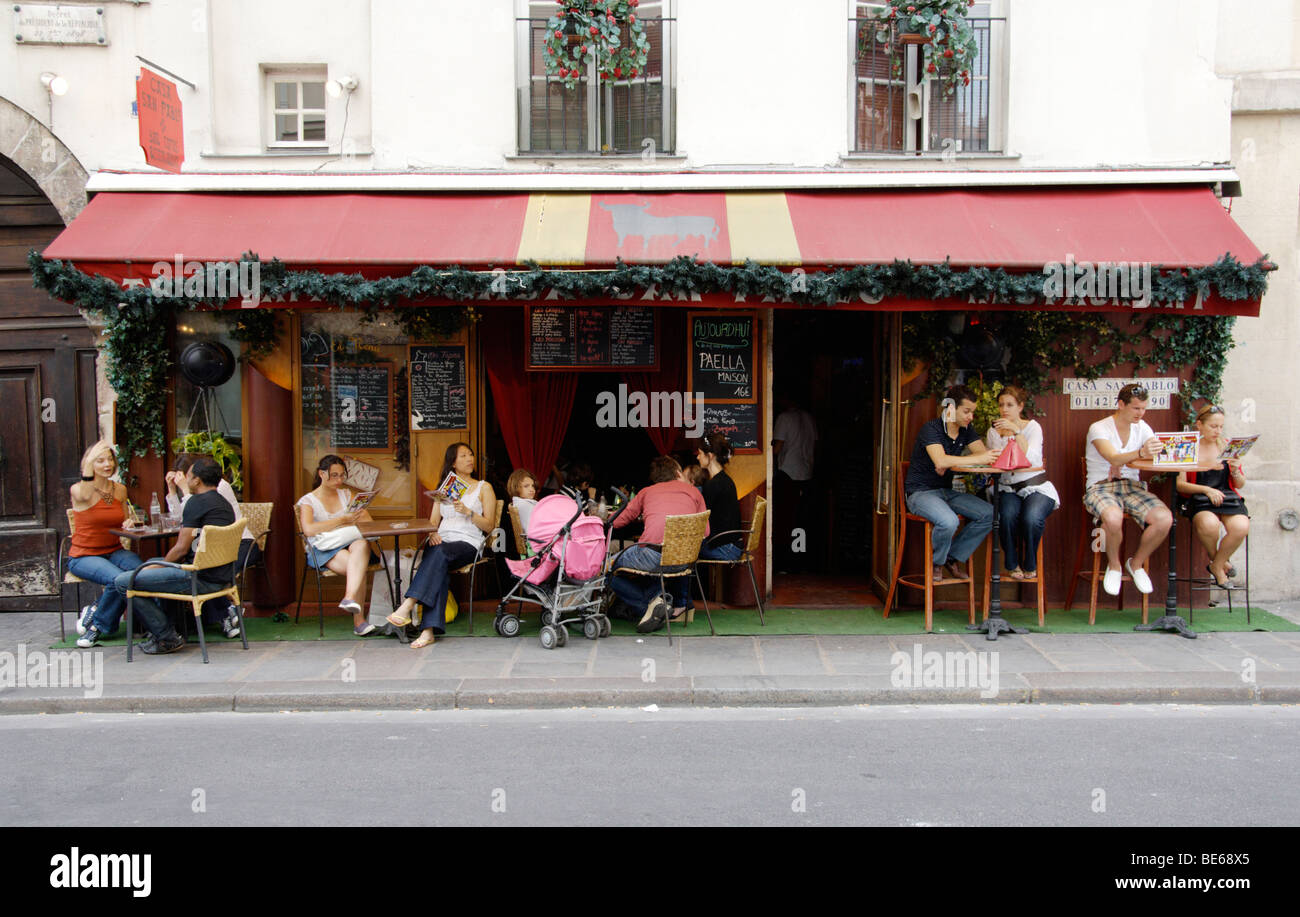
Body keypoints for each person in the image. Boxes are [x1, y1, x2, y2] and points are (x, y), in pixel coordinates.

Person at [104, 457, 235, 655]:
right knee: (149, 563)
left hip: (197, 577)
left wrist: (163, 566)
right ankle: (166, 629)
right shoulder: (223, 504)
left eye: (189, 476)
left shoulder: (196, 503)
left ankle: (166, 636)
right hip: (220, 576)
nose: (186, 480)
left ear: (197, 481)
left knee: (123, 582)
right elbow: (194, 545)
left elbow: (181, 549)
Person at [386, 443, 497, 649]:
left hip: (468, 542)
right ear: (453, 463)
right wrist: (432, 533)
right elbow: (432, 522)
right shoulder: (446, 488)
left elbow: (489, 525)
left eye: (470, 455)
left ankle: (408, 605)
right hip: (441, 542)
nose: (469, 459)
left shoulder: (484, 487)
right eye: (463, 456)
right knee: (439, 560)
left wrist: (468, 512)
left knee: (439, 555)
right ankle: (428, 631)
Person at [1083, 383, 1173, 596]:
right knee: (1113, 518)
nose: (1140, 413)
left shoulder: (1142, 427)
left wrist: (1142, 453)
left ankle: (1137, 563)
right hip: (1100, 486)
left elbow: (1156, 452)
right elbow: (1113, 457)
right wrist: (1138, 452)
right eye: (1136, 408)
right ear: (1121, 404)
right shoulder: (1099, 427)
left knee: (1164, 519)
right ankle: (1114, 565)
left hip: (1132, 486)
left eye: (1143, 408)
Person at [903, 385, 998, 583]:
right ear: (951, 408)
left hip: (945, 492)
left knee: (990, 514)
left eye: (972, 412)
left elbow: (984, 457)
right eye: (966, 411)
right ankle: (936, 564)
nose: (970, 417)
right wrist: (949, 461)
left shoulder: (966, 430)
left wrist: (951, 461)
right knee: (949, 522)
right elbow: (940, 461)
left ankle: (951, 558)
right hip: (921, 493)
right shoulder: (932, 428)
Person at [609, 455, 709, 632]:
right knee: (651, 566)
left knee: (606, 568)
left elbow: (619, 520)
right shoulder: (694, 492)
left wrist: (601, 520)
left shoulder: (647, 492)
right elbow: (705, 531)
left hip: (652, 558)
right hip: (685, 561)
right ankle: (659, 603)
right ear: (677, 473)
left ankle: (650, 605)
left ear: (655, 478)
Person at [165, 453, 259, 636]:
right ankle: (227, 613)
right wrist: (171, 491)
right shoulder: (193, 492)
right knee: (203, 566)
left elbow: (195, 508)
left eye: (186, 475)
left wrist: (185, 491)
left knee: (208, 570)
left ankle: (225, 614)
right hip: (209, 546)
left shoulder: (218, 488)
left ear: (197, 477)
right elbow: (180, 519)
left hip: (240, 544)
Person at [70, 440, 143, 648]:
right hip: (84, 555)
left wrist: (129, 522)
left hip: (114, 550)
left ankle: (95, 609)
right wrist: (89, 462)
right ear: (90, 464)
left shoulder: (119, 489)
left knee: (140, 572)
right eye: (100, 460)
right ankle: (97, 628)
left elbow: (124, 522)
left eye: (110, 459)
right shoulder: (78, 490)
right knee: (117, 580)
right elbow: (84, 495)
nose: (107, 464)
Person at [296, 454, 379, 636]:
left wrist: (362, 514)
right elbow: (309, 530)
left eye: (342, 475)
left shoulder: (346, 494)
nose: (339, 480)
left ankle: (349, 598)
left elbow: (369, 525)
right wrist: (342, 520)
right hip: (324, 548)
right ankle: (359, 622)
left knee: (361, 545)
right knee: (358, 565)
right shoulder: (308, 501)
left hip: (348, 543)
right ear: (322, 474)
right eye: (335, 475)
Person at [983, 385, 1059, 579]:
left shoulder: (1033, 427)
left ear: (1020, 406)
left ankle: (1030, 562)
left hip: (1035, 485)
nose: (1004, 409)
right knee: (1005, 516)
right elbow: (994, 461)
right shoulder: (993, 432)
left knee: (1032, 518)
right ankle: (1012, 563)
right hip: (1007, 487)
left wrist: (1017, 432)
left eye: (1010, 405)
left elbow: (1031, 459)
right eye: (1001, 405)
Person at [1176, 404, 1250, 588]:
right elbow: (1179, 485)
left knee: (1241, 526)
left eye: (1220, 427)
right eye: (1213, 426)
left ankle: (1216, 565)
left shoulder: (1226, 445)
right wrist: (1206, 490)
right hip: (1200, 499)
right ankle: (1219, 563)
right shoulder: (1188, 447)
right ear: (1199, 425)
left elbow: (1240, 484)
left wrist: (1235, 471)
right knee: (1210, 525)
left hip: (1227, 497)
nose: (1218, 431)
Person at [772, 394, 818, 573]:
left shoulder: (784, 418)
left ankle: (785, 563)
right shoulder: (809, 418)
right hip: (806, 473)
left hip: (788, 474)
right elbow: (814, 446)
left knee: (785, 520)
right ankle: (801, 561)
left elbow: (777, 449)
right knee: (801, 520)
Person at [693, 433, 743, 563]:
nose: (697, 457)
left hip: (726, 549)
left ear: (710, 456)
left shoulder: (714, 484)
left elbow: (700, 520)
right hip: (733, 546)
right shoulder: (724, 480)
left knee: (683, 552)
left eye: (700, 454)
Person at [506, 467, 539, 553]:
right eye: (526, 486)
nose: (532, 489)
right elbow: (534, 529)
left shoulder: (519, 503)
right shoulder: (524, 505)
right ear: (516, 487)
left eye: (533, 486)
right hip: (537, 545)